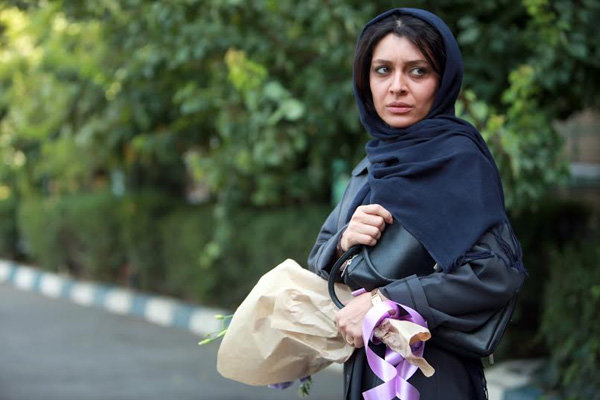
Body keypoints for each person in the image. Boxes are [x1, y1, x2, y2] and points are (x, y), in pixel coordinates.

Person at [308, 8, 527, 400]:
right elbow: (319, 255)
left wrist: (384, 302)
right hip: (366, 371)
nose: (397, 87)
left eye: (418, 71)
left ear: (443, 80)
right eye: (382, 70)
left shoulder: (458, 161)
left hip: (432, 375)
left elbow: (495, 273)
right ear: (365, 80)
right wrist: (344, 241)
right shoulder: (373, 165)